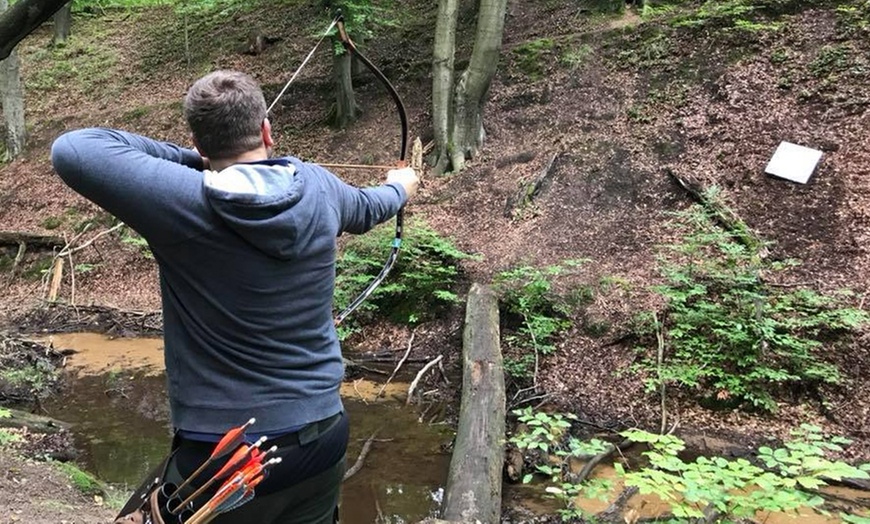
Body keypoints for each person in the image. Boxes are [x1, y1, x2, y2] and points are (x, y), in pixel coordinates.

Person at [51, 70, 419, 524]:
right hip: (322, 435)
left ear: (202, 145)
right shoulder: (318, 185)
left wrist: (193, 159)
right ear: (266, 130)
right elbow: (370, 207)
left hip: (224, 455)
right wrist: (402, 185)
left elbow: (74, 149)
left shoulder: (183, 198)